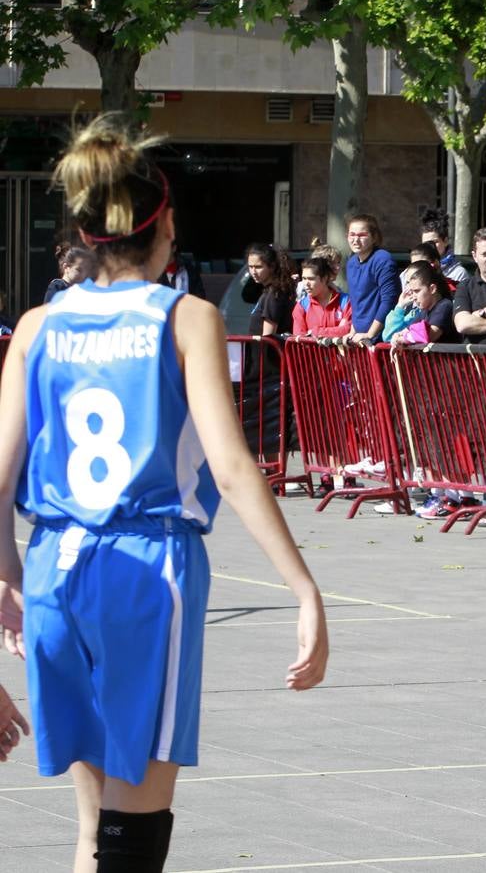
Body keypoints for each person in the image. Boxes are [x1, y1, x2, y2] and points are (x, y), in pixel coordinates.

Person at [0, 113, 328, 873]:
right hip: (147, 572)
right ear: (165, 223)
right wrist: (302, 586)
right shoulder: (186, 318)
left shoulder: (36, 327)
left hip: (56, 568)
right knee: (133, 839)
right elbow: (231, 463)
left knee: (93, 832)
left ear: (85, 231)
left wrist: (8, 573)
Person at [345, 214, 399, 343]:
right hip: (358, 337)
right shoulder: (351, 262)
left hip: (381, 338)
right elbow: (356, 303)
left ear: (374, 237)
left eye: (362, 235)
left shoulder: (383, 259)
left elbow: (389, 300)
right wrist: (352, 332)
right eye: (352, 234)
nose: (355, 240)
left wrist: (370, 334)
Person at [391, 262, 457, 345]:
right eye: (412, 292)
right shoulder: (424, 311)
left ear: (432, 289)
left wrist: (402, 340)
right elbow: (405, 331)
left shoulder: (445, 306)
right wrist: (397, 336)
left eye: (417, 291)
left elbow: (430, 335)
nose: (414, 296)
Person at [291, 256, 353, 339]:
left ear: (324, 279)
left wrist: (315, 332)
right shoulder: (301, 307)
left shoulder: (346, 302)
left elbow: (348, 330)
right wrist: (337, 331)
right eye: (304, 278)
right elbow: (299, 338)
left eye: (311, 279)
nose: (306, 283)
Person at [241, 243, 296, 337]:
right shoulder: (269, 291)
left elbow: (268, 337)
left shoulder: (274, 294)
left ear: (272, 266)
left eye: (258, 267)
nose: (253, 272)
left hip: (266, 351)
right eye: (250, 267)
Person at [420, 207, 471, 283]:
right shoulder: (413, 271)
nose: (430, 246)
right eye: (425, 243)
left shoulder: (458, 274)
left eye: (435, 242)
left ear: (445, 241)